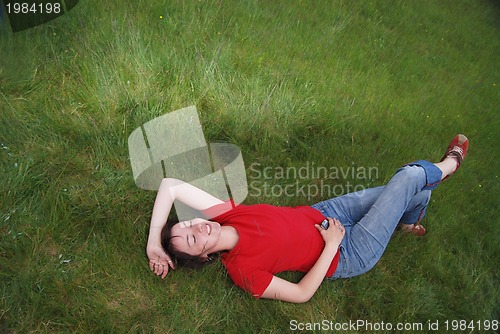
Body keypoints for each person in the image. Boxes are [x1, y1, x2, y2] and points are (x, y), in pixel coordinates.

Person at [146, 134, 469, 303]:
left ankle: (406, 224)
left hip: (330, 212)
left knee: (418, 193)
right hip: (347, 253)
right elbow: (301, 295)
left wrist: (154, 243)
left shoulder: (227, 214)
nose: (197, 227)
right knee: (410, 178)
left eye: (188, 223)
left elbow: (170, 186)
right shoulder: (241, 271)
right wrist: (331, 246)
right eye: (193, 240)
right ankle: (451, 165)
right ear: (204, 257)